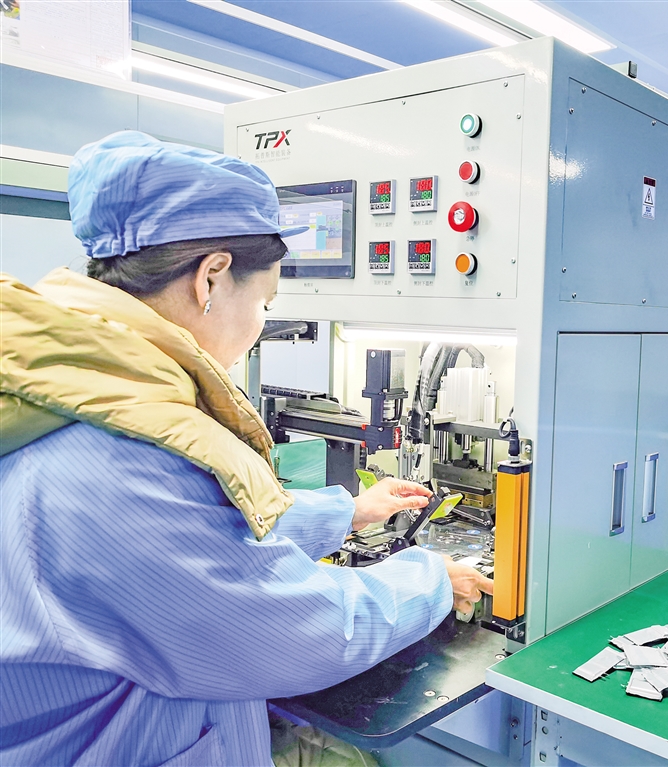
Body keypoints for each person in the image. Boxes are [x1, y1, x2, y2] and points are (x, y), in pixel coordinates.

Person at [0, 131, 492, 766]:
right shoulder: (117, 455)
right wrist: (427, 578)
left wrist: (346, 513)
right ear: (210, 277)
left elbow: (195, 531)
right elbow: (296, 633)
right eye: (264, 302)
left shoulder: (66, 381)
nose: (261, 325)